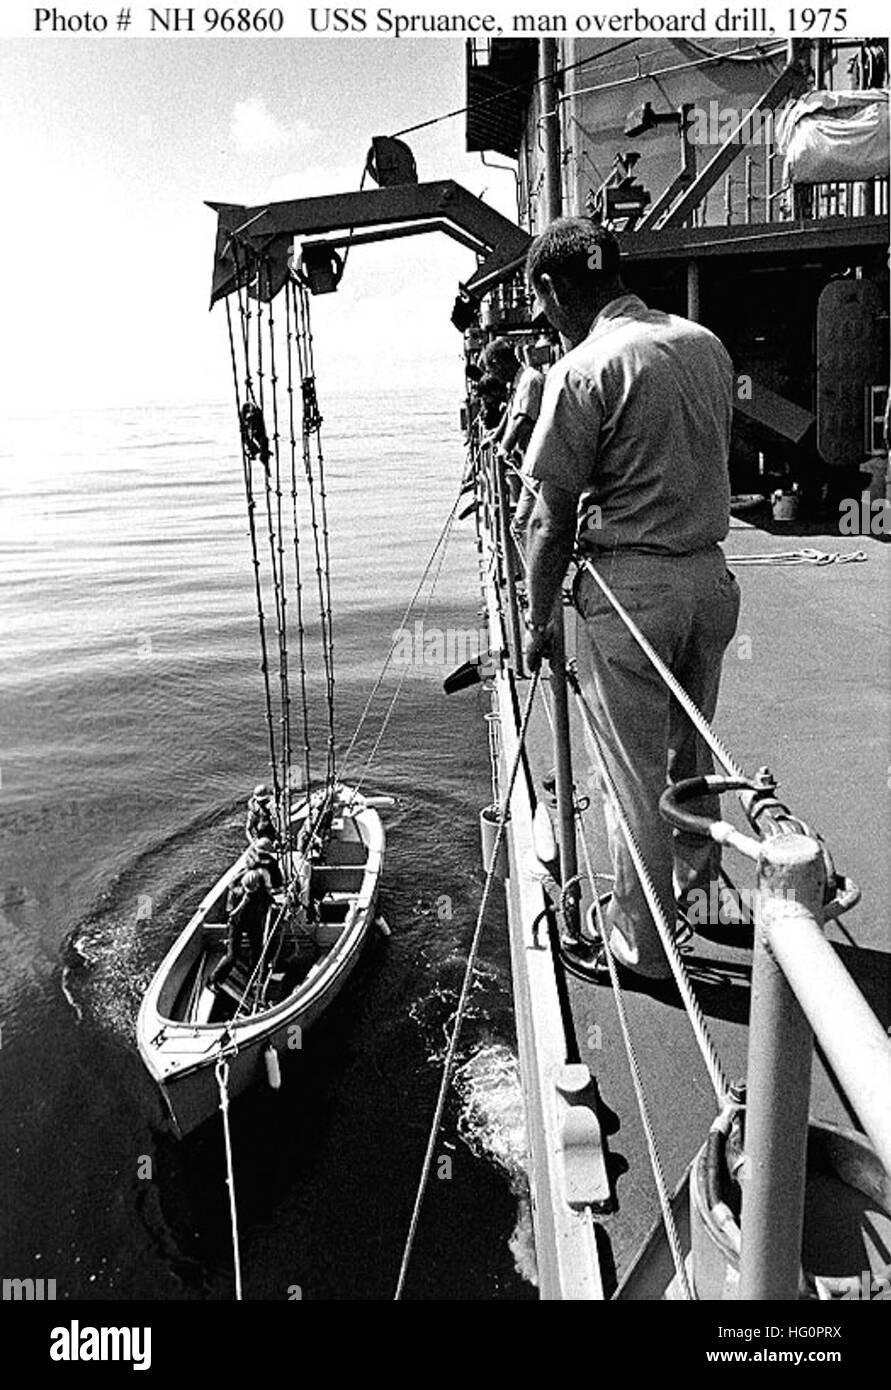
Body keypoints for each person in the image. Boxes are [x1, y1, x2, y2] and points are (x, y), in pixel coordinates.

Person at [521, 217, 741, 985]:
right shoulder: (703, 344)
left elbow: (549, 518)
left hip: (631, 591)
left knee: (631, 776)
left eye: (541, 300)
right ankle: (703, 891)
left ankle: (643, 946)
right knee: (692, 755)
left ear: (552, 287)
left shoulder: (580, 371)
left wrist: (537, 619)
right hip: (710, 579)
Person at [209, 867, 275, 991]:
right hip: (237, 924)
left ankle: (253, 977)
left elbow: (268, 898)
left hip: (253, 922)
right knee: (232, 955)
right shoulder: (237, 894)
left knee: (258, 950)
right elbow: (232, 913)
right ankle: (214, 979)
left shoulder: (259, 890)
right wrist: (241, 905)